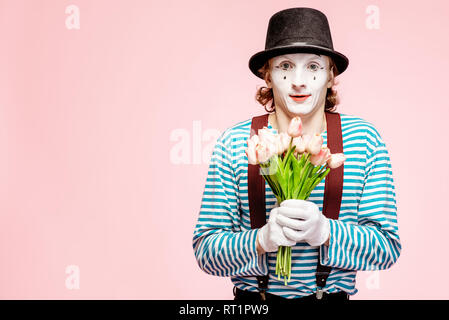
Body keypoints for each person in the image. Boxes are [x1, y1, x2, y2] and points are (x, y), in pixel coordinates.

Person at [192, 7, 401, 301]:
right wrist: (260, 241)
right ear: (267, 76)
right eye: (286, 66)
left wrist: (325, 233)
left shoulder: (364, 140)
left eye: (313, 67)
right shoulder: (235, 142)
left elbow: (386, 248)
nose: (299, 81)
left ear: (330, 76)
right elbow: (206, 252)